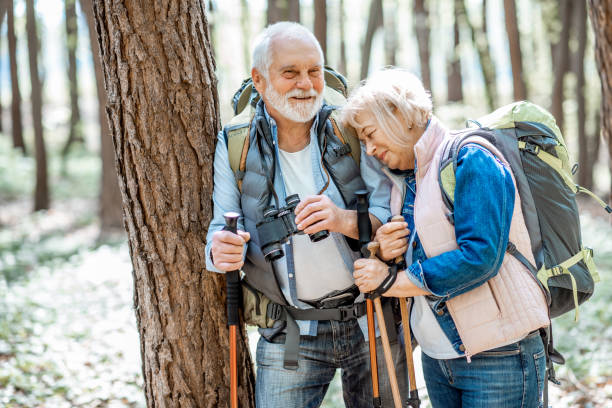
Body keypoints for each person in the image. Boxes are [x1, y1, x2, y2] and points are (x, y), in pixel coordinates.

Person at [206, 23, 407, 407]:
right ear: (259, 80)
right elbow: (220, 230)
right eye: (290, 73)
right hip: (290, 329)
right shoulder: (235, 143)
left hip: (372, 318)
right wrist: (220, 252)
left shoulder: (348, 128)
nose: (307, 84)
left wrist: (342, 220)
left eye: (314, 71)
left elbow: (388, 212)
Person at [341, 68, 551, 408]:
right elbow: (428, 249)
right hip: (439, 360)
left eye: (369, 134)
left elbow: (480, 257)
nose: (368, 149)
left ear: (399, 113)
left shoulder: (471, 158)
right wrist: (389, 253)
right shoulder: (406, 181)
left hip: (499, 357)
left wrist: (394, 281)